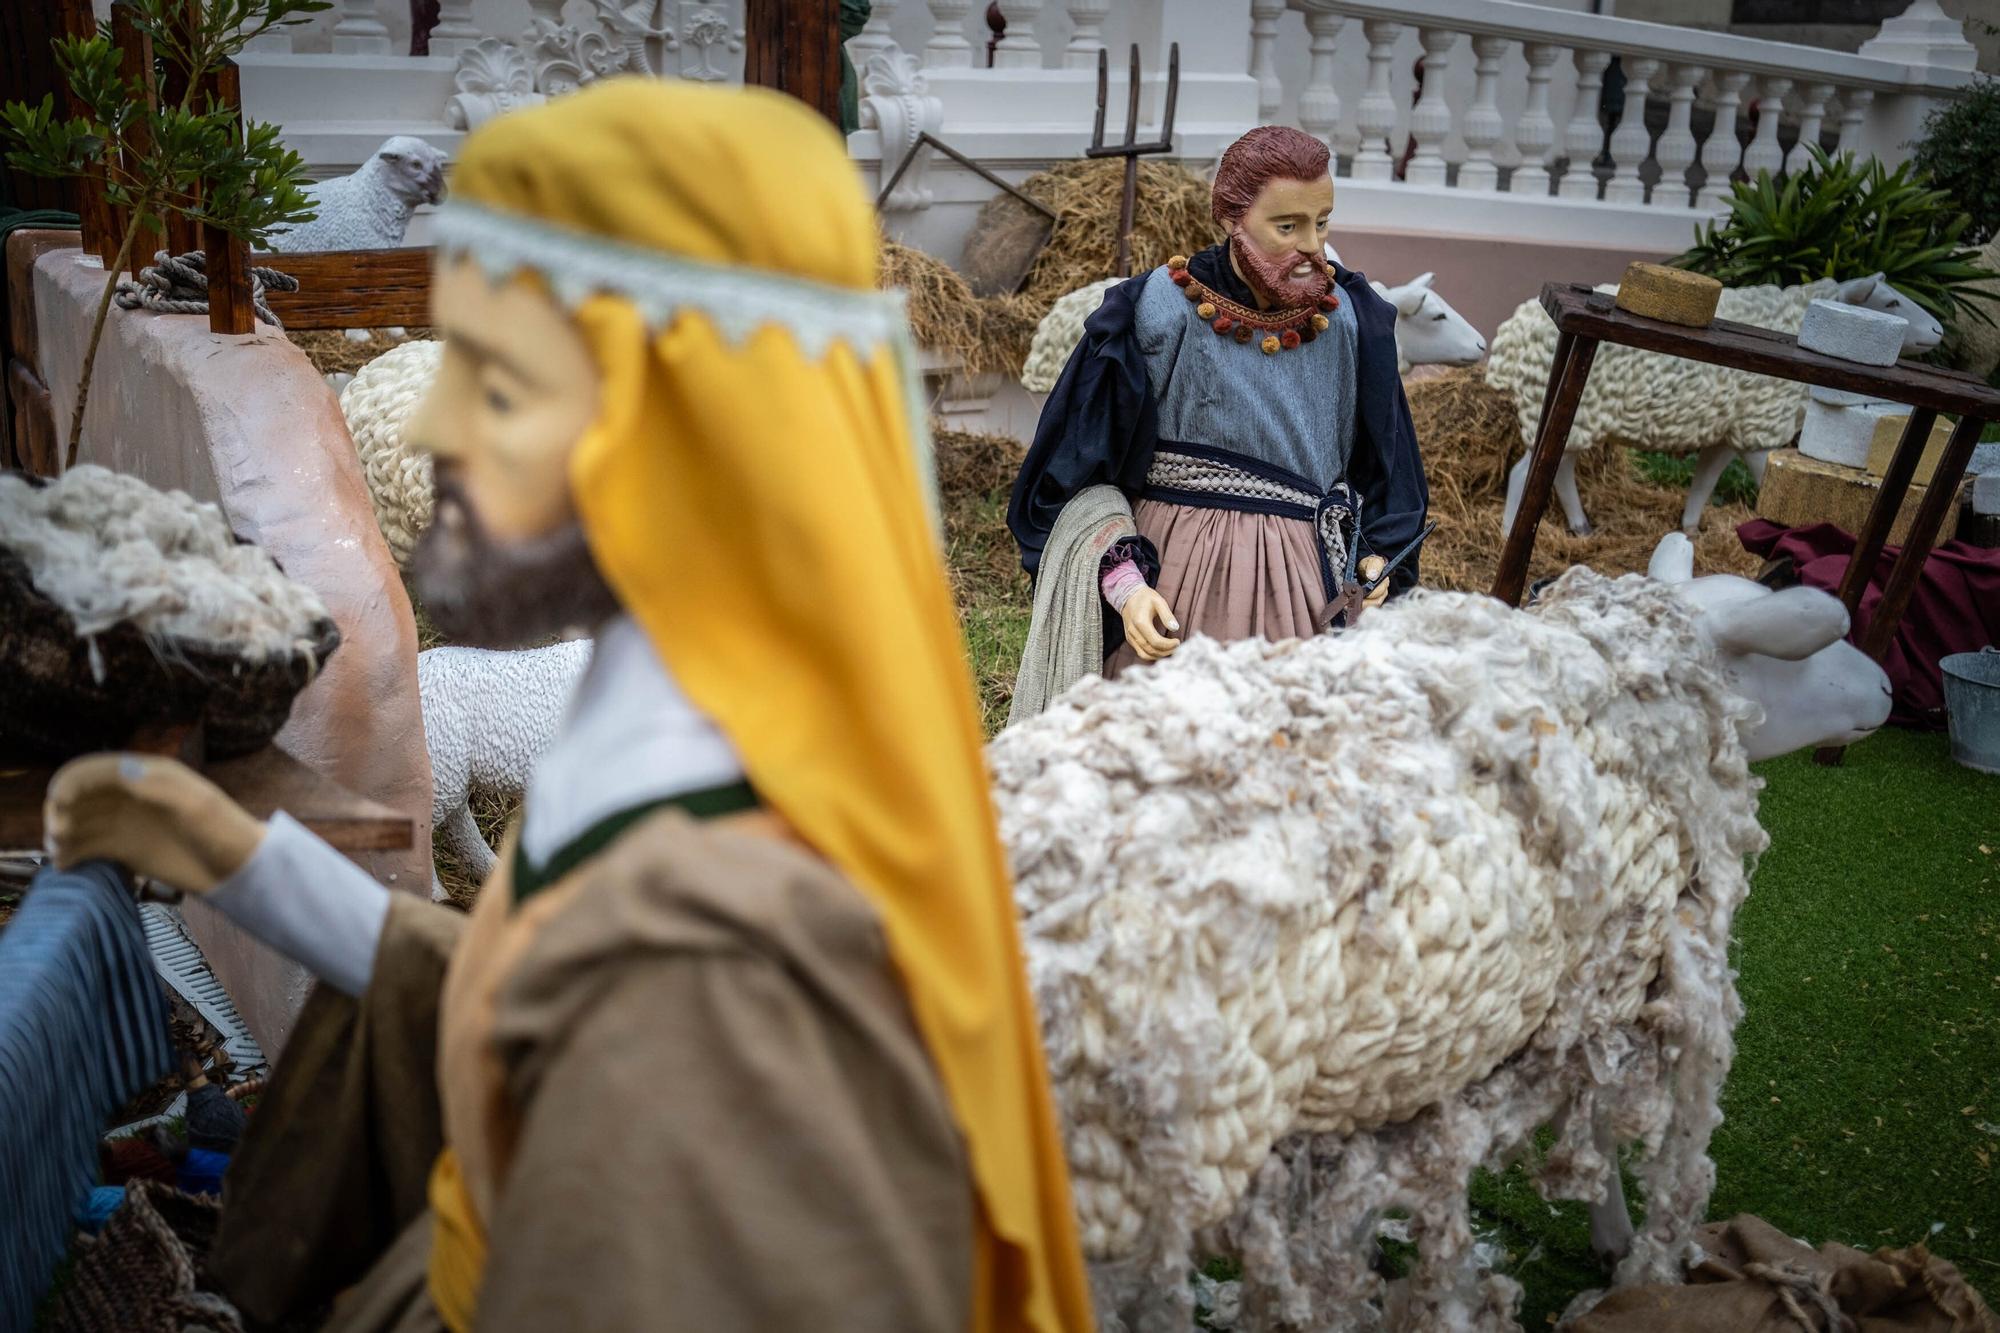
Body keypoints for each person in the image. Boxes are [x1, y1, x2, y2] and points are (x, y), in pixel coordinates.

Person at [43, 77, 1093, 1333]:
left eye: (494, 378)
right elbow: (531, 996)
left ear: (675, 420)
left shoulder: (721, 944)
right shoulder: (662, 700)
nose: (429, 419)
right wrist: (242, 859)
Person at [1005, 126, 1428, 721]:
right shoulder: (1154, 311)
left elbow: (1389, 471)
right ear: (1233, 218)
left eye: (1323, 222)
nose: (1314, 246)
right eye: (1288, 227)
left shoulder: (1354, 321)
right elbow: (1073, 475)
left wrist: (1378, 556)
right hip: (1174, 590)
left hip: (1305, 594)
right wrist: (1126, 587)